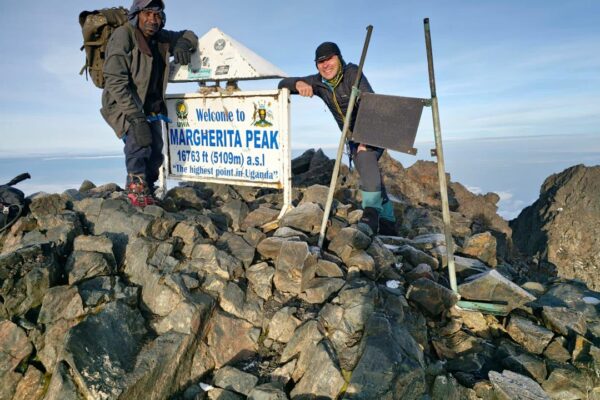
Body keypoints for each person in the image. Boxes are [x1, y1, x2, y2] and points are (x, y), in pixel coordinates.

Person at [278, 42, 396, 235]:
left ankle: (371, 215)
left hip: (373, 130)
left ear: (339, 58)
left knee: (365, 159)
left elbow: (372, 104)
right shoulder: (318, 82)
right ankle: (390, 227)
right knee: (370, 176)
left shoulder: (352, 74)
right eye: (320, 62)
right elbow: (282, 84)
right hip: (352, 138)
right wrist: (297, 84)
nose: (325, 65)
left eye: (329, 59)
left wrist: (366, 141)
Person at [100, 0, 198, 206]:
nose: (153, 20)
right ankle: (135, 190)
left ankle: (149, 189)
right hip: (124, 104)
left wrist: (182, 43)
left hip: (151, 106)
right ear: (137, 15)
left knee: (155, 151)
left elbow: (189, 33)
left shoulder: (160, 37)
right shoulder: (124, 36)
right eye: (148, 14)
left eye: (157, 15)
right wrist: (135, 116)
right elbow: (114, 80)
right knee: (139, 144)